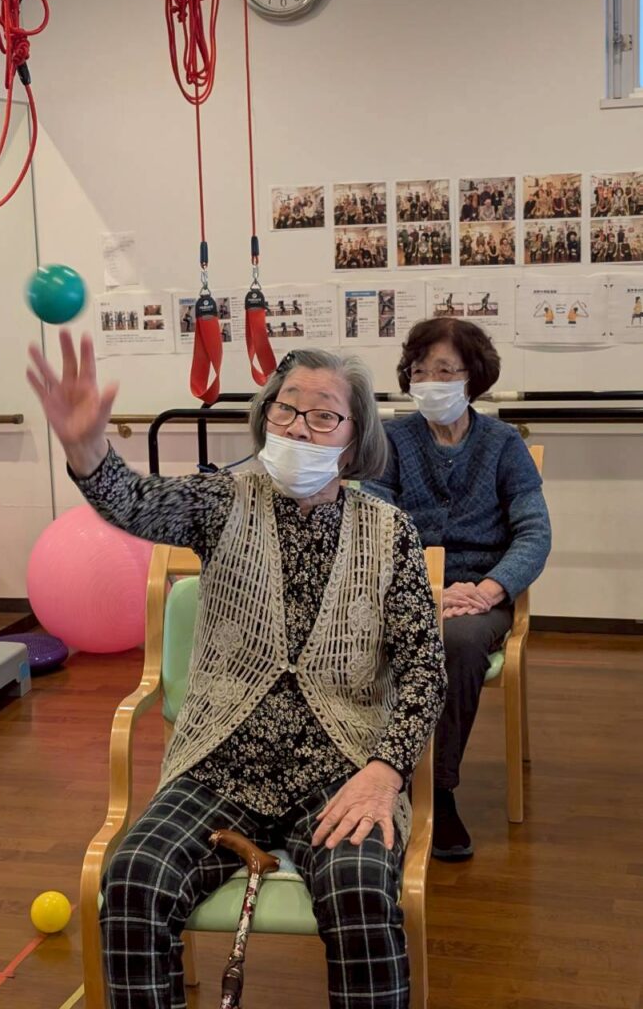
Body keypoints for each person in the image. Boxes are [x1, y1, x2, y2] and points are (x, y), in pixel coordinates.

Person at [27, 334, 447, 1009]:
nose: (298, 428)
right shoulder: (223, 501)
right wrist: (86, 450)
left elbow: (424, 668)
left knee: (360, 889)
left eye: (323, 416)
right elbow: (134, 501)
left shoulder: (388, 531)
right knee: (134, 878)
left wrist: (384, 770)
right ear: (264, 416)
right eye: (285, 409)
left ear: (353, 439)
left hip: (341, 768)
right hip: (221, 762)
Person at [365, 318, 551, 861]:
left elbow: (534, 531)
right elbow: (373, 523)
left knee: (460, 642)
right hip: (404, 589)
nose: (430, 382)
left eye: (444, 371)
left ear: (474, 377)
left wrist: (492, 590)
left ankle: (435, 789)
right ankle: (360, 771)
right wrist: (425, 590)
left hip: (479, 595)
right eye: (419, 370)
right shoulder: (390, 441)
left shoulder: (503, 444)